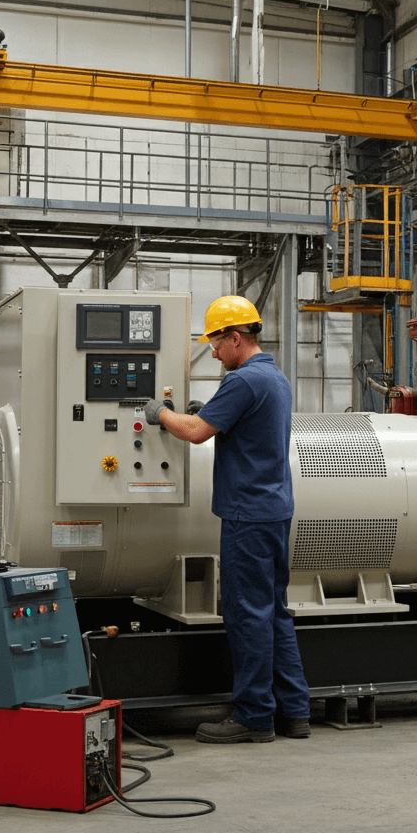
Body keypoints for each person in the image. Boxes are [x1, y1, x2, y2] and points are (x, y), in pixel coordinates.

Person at [143, 295, 311, 744]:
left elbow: (196, 434)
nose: (212, 352)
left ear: (236, 338)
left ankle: (254, 716)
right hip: (274, 511)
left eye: (216, 343)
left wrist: (160, 414)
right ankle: (294, 712)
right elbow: (231, 424)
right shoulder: (273, 378)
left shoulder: (242, 382)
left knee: (247, 615)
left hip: (247, 517)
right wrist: (203, 411)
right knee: (275, 612)